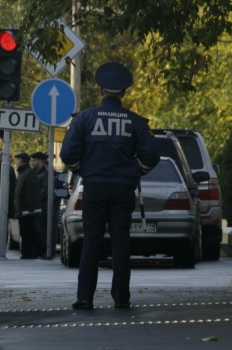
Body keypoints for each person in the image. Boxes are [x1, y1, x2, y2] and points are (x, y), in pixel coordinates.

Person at [60, 62, 160, 310]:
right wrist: (134, 172)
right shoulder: (135, 122)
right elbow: (151, 156)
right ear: (124, 92)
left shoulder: (84, 118)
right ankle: (121, 297)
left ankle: (85, 297)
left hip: (94, 187)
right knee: (121, 242)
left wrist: (82, 171)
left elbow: (68, 153)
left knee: (91, 242)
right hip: (123, 189)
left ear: (101, 90)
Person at [13, 152, 43, 259]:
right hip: (23, 209)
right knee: (24, 233)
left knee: (30, 232)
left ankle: (42, 251)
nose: (16, 162)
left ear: (23, 161)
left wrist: (31, 207)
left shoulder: (29, 173)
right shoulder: (23, 173)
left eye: (18, 160)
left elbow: (32, 192)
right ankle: (26, 254)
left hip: (27, 210)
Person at [30, 151, 49, 258]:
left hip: (42, 207)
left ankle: (42, 252)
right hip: (36, 206)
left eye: (34, 161)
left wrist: (35, 202)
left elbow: (44, 191)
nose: (32, 163)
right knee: (36, 230)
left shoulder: (45, 174)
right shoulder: (35, 172)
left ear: (40, 161)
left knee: (41, 230)